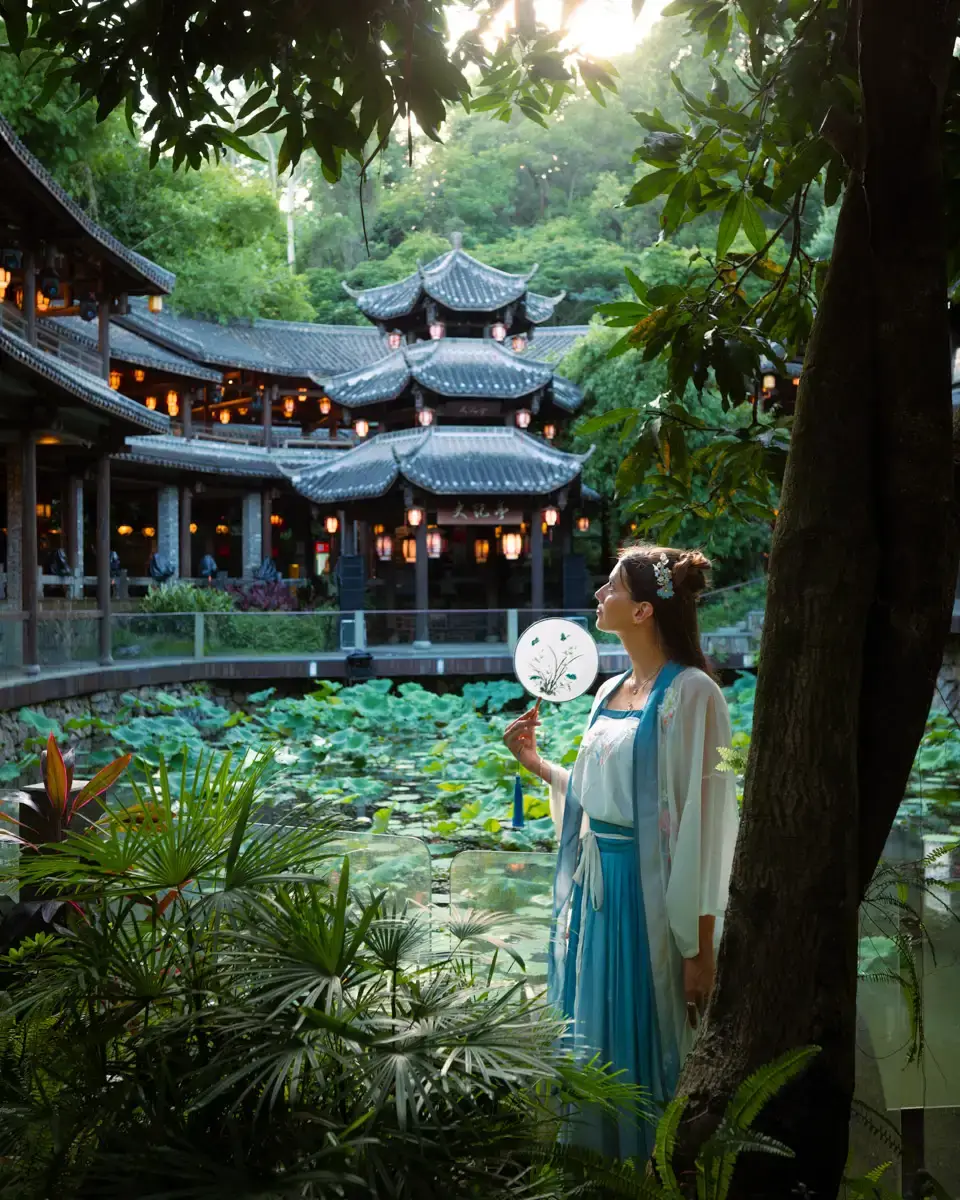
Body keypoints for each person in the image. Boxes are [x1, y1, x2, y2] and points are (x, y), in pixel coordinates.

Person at [503, 544, 739, 1161]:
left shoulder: (694, 696)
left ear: (642, 610)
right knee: (595, 1028)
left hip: (651, 895)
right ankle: (594, 1168)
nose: (599, 598)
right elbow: (593, 795)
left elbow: (705, 826)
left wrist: (700, 947)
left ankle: (649, 1167)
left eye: (611, 588)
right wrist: (536, 765)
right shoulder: (609, 691)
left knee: (645, 1032)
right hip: (596, 890)